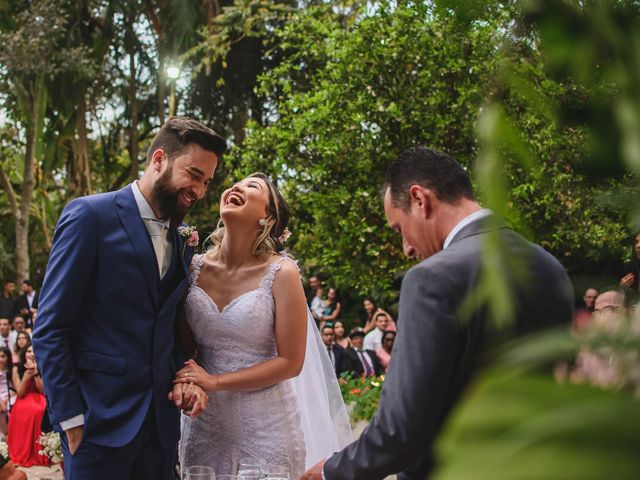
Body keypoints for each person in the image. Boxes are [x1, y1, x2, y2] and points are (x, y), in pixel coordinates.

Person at [301, 146, 573, 480]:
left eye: (399, 229)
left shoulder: (432, 279)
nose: (407, 249)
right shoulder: (549, 266)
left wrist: (331, 471)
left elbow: (401, 429)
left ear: (420, 199)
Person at [32, 117, 226, 479]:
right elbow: (51, 327)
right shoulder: (91, 215)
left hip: (160, 432)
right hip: (97, 427)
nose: (199, 191)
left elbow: (168, 326)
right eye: (193, 174)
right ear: (158, 159)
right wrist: (70, 417)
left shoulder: (183, 239)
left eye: (206, 182)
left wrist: (183, 378)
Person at [174, 173, 351, 477]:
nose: (236, 187)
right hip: (205, 423)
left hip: (266, 426)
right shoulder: (192, 267)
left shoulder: (282, 273)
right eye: (235, 183)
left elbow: (290, 362)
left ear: (267, 217)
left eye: (251, 186)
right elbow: (185, 347)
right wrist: (188, 380)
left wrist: (215, 382)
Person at [7, 346, 48, 467]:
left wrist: (35, 372)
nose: (31, 353)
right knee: (31, 410)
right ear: (24, 353)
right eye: (29, 351)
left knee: (41, 410)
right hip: (23, 398)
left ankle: (40, 451)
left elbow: (42, 390)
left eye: (34, 350)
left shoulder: (42, 366)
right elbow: (20, 393)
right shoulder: (16, 369)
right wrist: (26, 376)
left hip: (38, 396)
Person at [0, 346, 13, 435]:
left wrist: (6, 399)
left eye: (3, 356)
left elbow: (15, 388)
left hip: (10, 394)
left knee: (12, 405)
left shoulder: (11, 370)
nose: (0, 359)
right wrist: (1, 401)